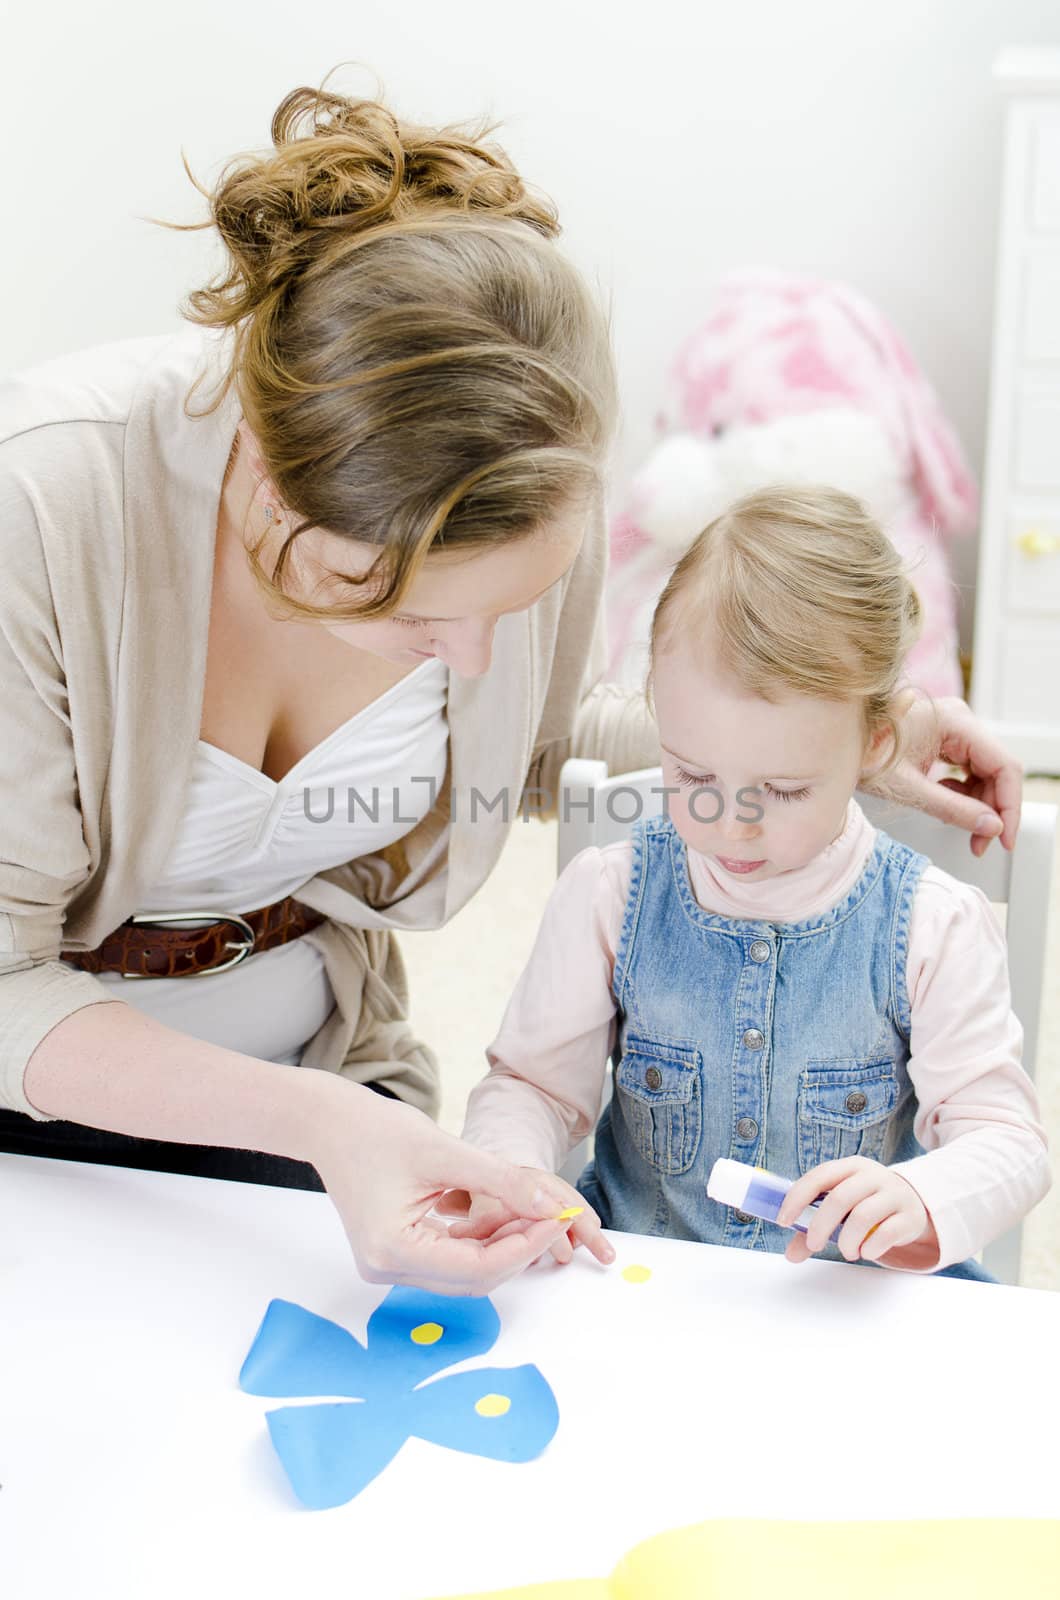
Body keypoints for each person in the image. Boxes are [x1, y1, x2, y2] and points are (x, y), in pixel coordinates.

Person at [0, 78, 1025, 1296]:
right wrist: (330, 1128)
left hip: (325, 1080)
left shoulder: (531, 487)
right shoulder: (46, 513)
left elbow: (526, 751)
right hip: (49, 1111)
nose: (474, 657)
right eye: (410, 613)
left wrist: (835, 733)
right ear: (267, 480)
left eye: (505, 608)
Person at [455, 487, 1050, 1280]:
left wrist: (921, 1196)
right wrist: (516, 1167)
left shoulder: (932, 926)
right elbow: (531, 1087)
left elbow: (1008, 1142)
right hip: (645, 1281)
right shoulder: (609, 894)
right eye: (692, 772)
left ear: (875, 746)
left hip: (847, 1302)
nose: (730, 822)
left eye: (783, 790)